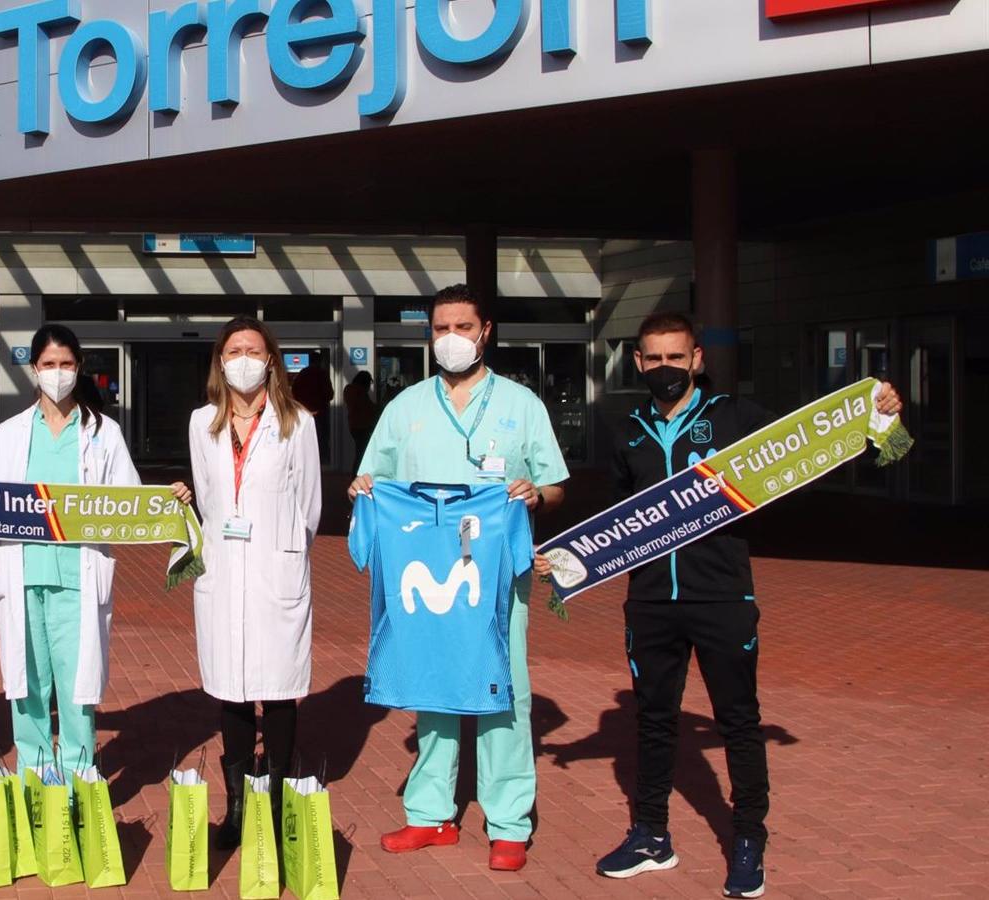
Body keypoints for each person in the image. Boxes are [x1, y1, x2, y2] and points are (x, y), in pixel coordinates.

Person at [587, 311, 900, 899]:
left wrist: (883, 423)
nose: (664, 368)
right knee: (653, 721)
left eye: (675, 357)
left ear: (696, 359)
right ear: (638, 362)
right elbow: (619, 518)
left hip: (723, 598)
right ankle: (651, 835)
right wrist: (571, 563)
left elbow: (819, 450)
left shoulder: (736, 418)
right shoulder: (629, 431)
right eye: (653, 358)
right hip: (651, 602)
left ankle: (750, 838)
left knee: (738, 721)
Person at [349, 283, 567, 871]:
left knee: (504, 689)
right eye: (441, 328)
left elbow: (555, 485)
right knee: (434, 685)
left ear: (485, 331)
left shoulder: (522, 404)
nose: (451, 338)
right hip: (427, 573)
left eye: (462, 327)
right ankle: (430, 815)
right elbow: (373, 478)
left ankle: (509, 822)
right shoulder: (405, 407)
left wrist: (535, 495)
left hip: (495, 575)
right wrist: (363, 488)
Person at [0, 324, 142, 778]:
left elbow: (131, 501)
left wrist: (170, 501)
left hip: (77, 576)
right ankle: (34, 774)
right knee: (26, 681)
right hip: (23, 572)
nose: (58, 373)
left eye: (66, 364)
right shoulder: (11, 433)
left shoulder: (103, 432)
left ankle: (78, 777)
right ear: (34, 369)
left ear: (79, 367)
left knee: (76, 683)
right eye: (49, 364)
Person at [187, 316, 321, 848]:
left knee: (279, 690)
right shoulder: (202, 422)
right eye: (234, 351)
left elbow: (309, 507)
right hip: (224, 570)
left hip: (275, 570)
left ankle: (279, 803)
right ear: (220, 361)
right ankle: (239, 808)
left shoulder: (298, 423)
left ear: (270, 361)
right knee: (233, 691)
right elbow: (206, 497)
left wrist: (284, 551)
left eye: (253, 351)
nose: (244, 359)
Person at [343, 370, 378, 472]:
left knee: (360, 452)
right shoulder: (360, 392)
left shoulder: (349, 390)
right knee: (361, 453)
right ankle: (357, 474)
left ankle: (356, 473)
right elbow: (367, 407)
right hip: (362, 426)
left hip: (355, 425)